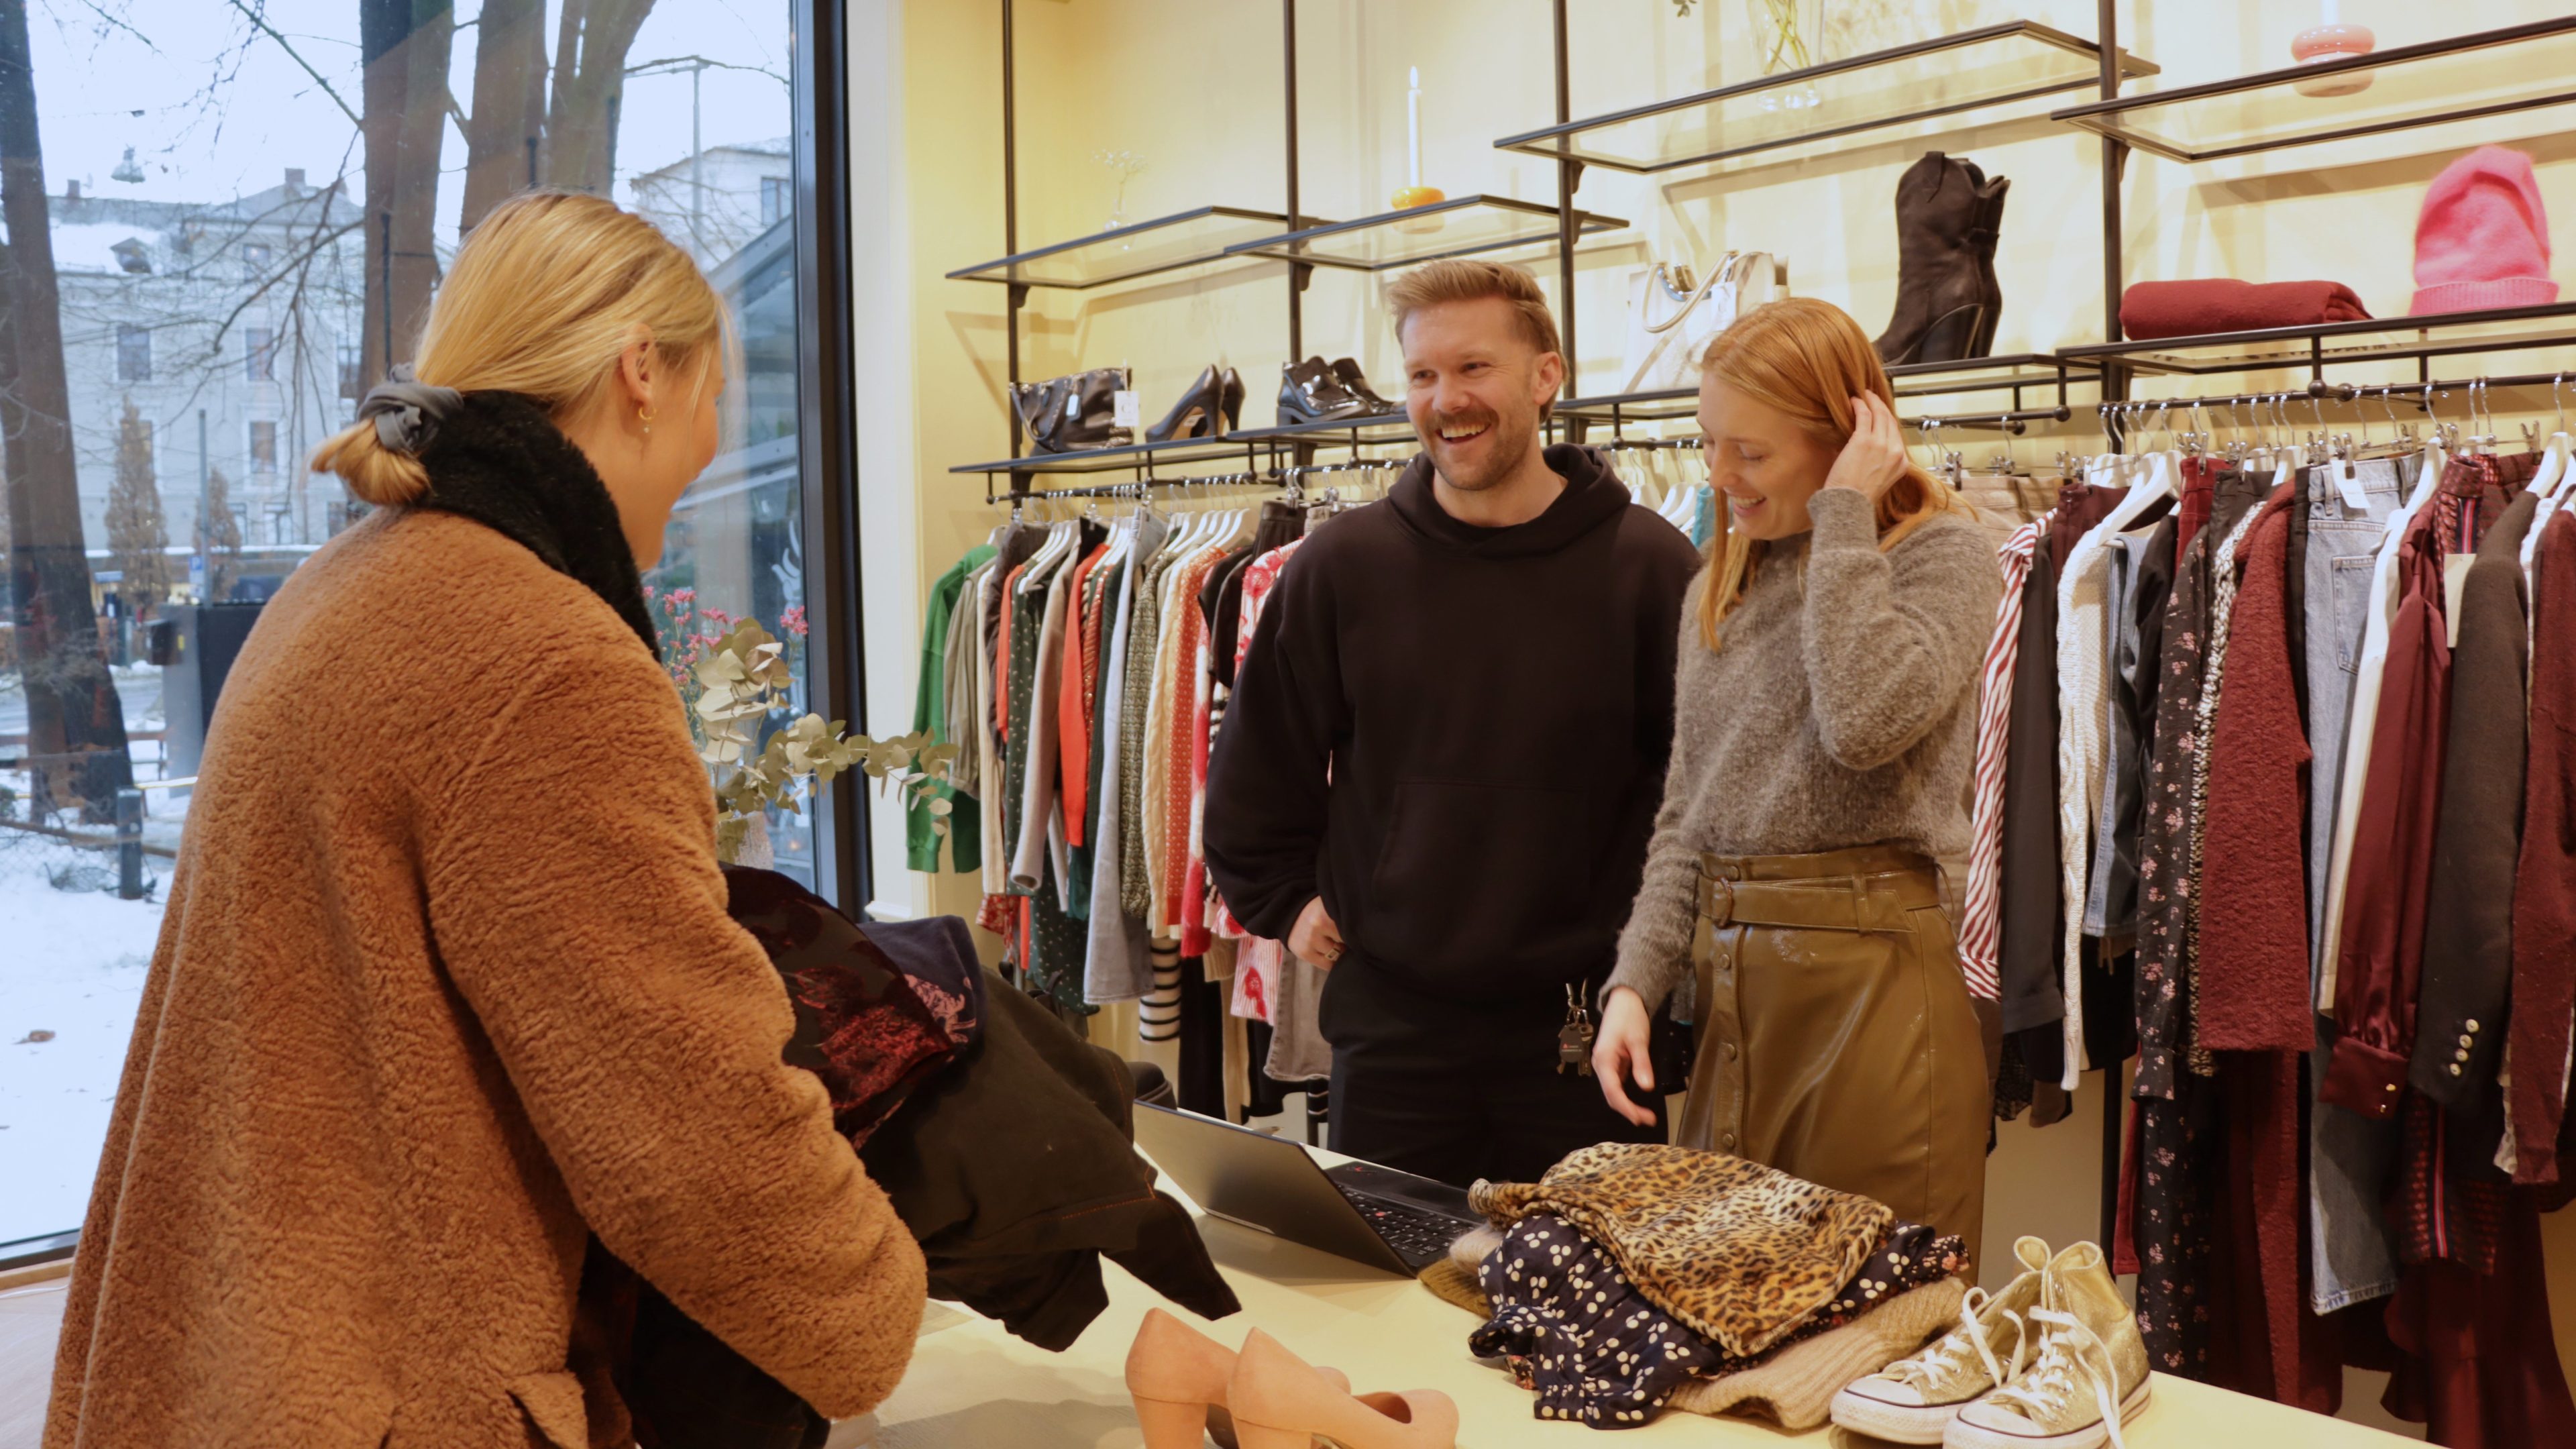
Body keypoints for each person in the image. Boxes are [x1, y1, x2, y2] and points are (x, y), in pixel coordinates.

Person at [44, 193, 926, 1449]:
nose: (713, 443)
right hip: (389, 1384)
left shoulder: (342, 586)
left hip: (241, 1347)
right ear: (641, 375)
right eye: (713, 393)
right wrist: (872, 1306)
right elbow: (685, 1128)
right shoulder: (540, 658)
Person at [1205, 259, 1701, 1187]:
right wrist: (1286, 900)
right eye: (1424, 376)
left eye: (1473, 369)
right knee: (1391, 1311)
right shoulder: (1339, 569)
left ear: (1545, 377)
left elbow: (1698, 796)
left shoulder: (1652, 568)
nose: (1446, 400)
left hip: (1585, 1031)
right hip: (1393, 1039)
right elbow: (1254, 769)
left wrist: (1652, 965)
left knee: (1585, 1323)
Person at [1591, 296, 1997, 1265]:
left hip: (1878, 996)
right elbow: (1687, 815)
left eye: (1752, 452)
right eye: (1710, 443)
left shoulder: (1944, 556)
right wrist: (1634, 985)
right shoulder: (1718, 583)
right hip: (1736, 996)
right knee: (1729, 1317)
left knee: (1877, 1327)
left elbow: (1865, 724)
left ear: (1853, 433)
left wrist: (1845, 515)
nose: (1719, 476)